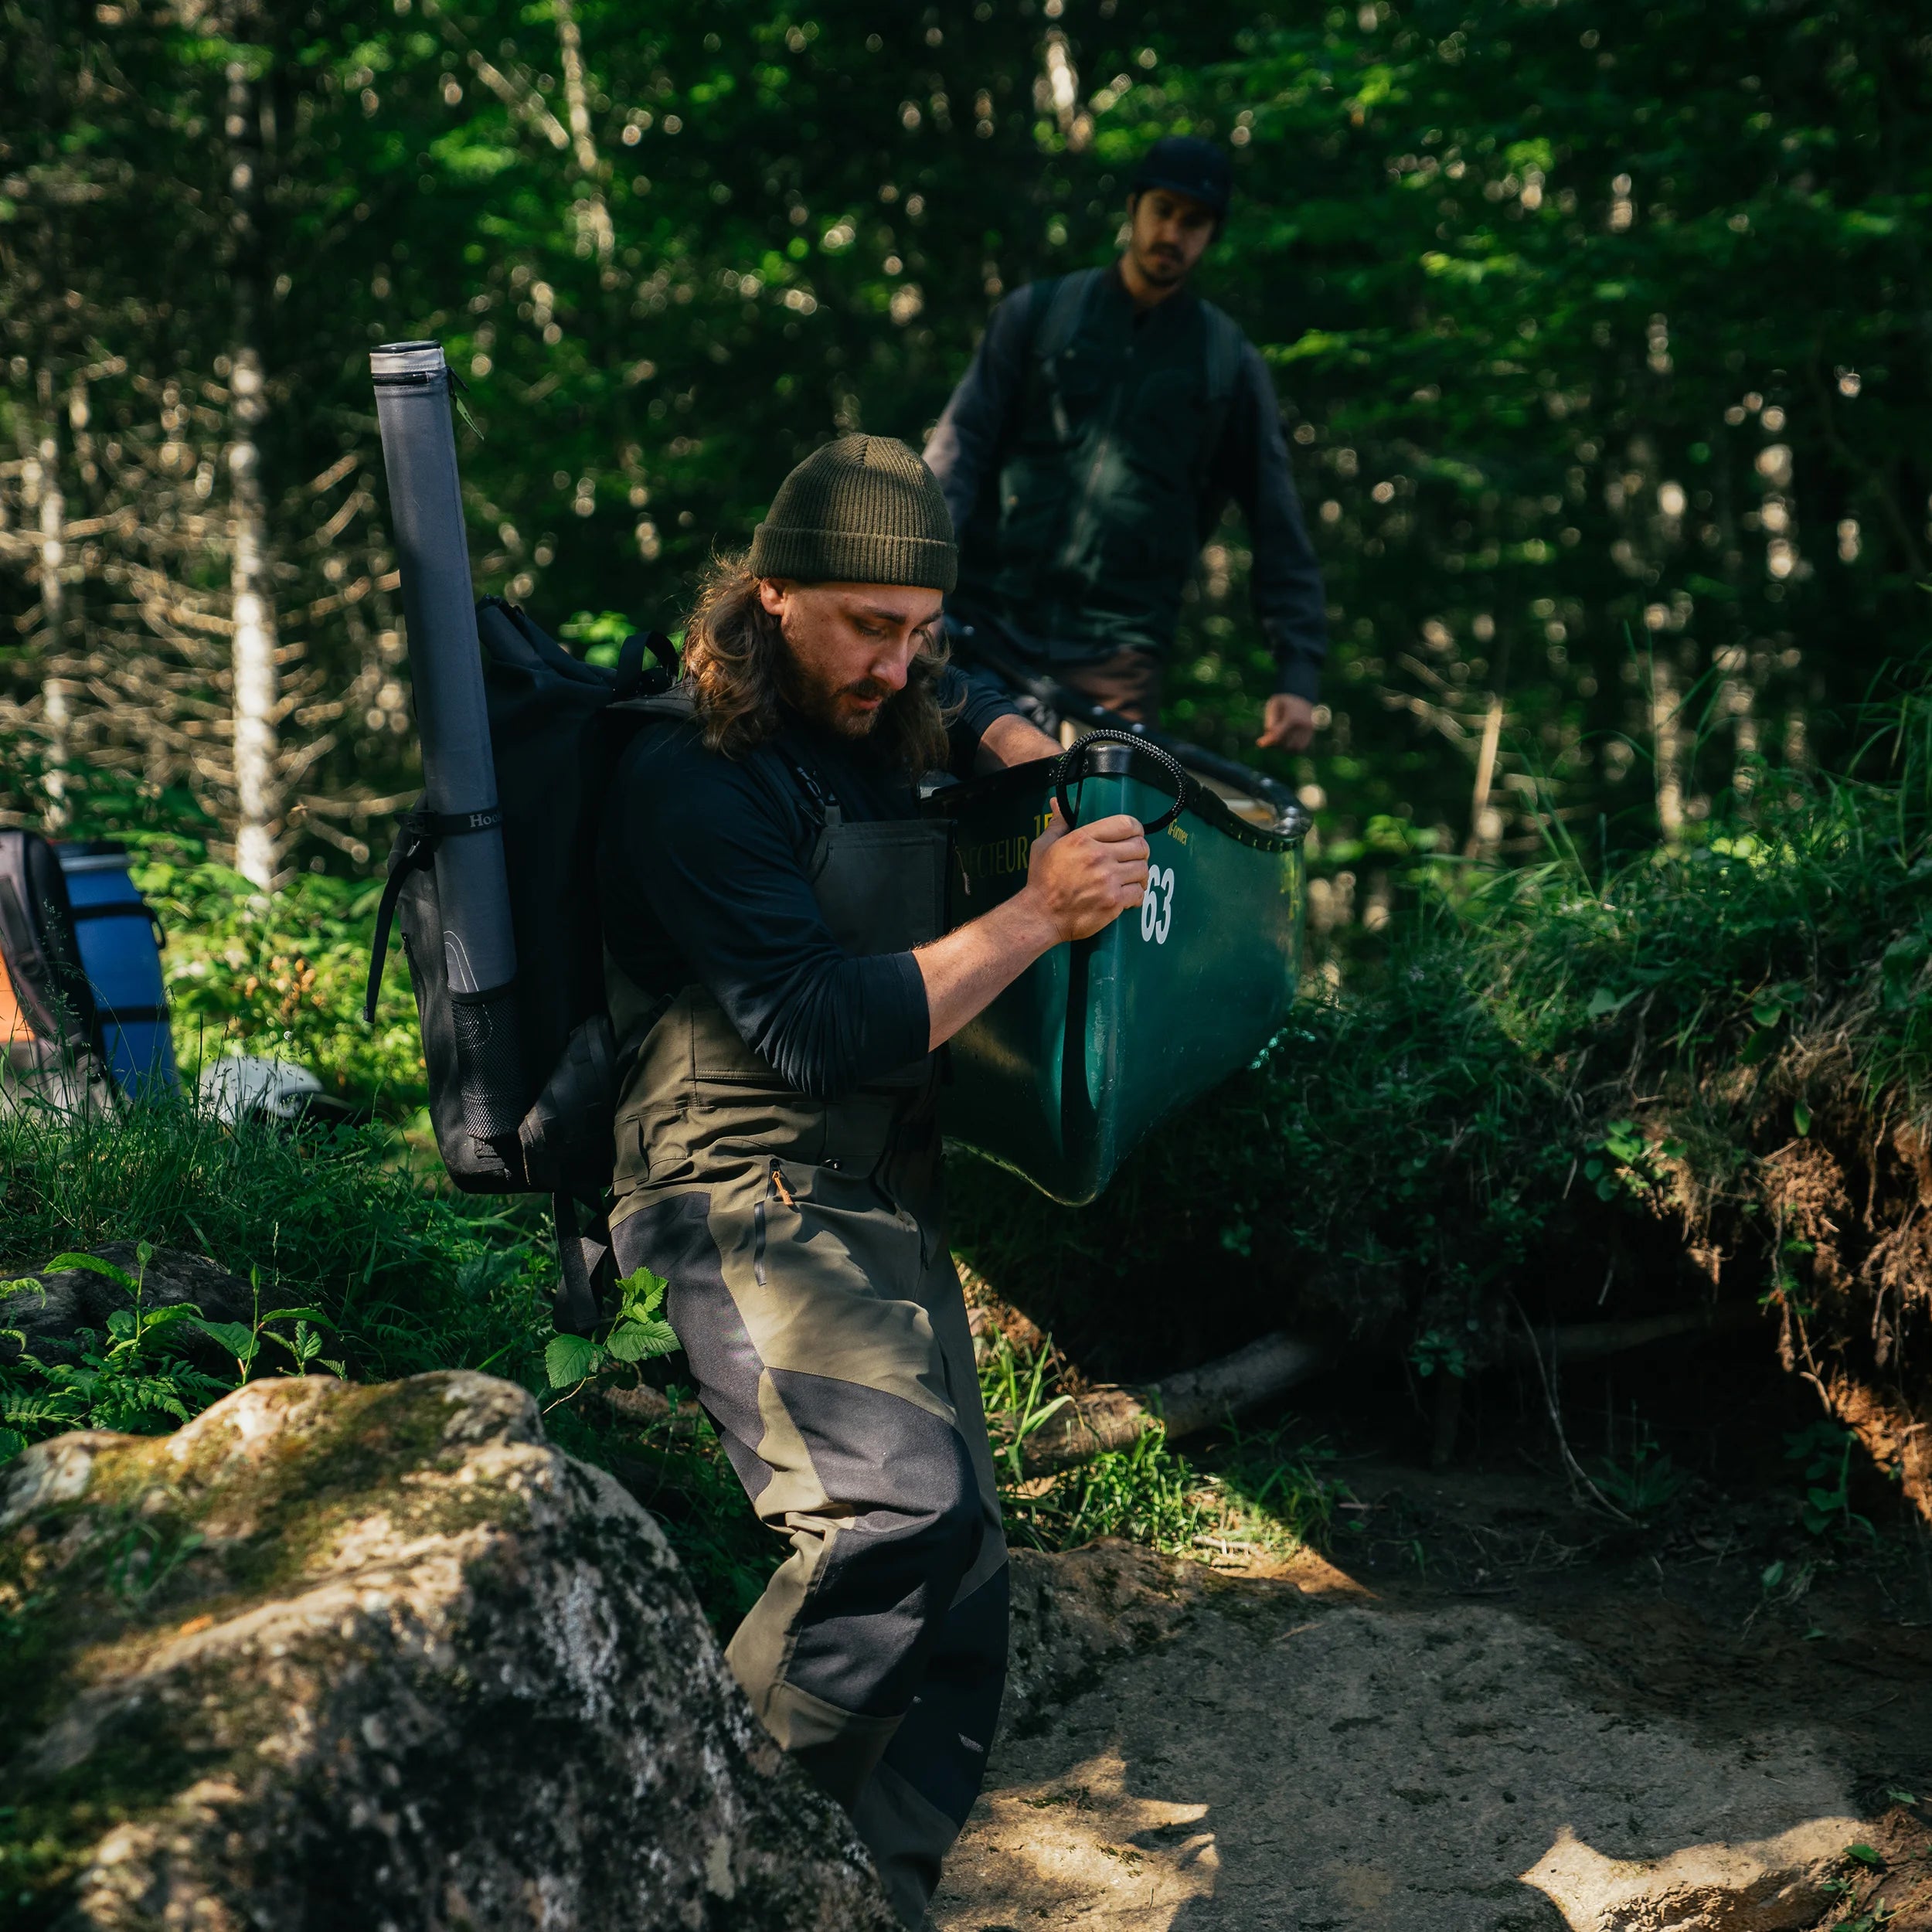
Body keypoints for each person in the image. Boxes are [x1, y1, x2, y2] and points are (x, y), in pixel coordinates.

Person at [597, 435, 1148, 1927]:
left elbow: (960, 705)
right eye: (865, 627)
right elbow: (814, 1023)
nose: (898, 668)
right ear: (770, 596)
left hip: (872, 1195)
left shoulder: (884, 708)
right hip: (734, 1179)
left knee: (961, 1584)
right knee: (885, 1521)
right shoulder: (690, 774)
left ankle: (859, 1903)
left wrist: (1026, 743)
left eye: (922, 635)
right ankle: (688, 1891)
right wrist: (1038, 914)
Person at [924, 134, 1328, 753]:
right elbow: (957, 453)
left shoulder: (1228, 364)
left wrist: (1297, 673)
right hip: (985, 623)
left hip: (1117, 657)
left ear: (1211, 234)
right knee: (942, 796)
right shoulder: (1038, 316)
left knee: (1099, 828)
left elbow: (1277, 522)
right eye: (1163, 210)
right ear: (1134, 208)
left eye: (1194, 221)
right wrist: (916, 585)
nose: (1173, 232)